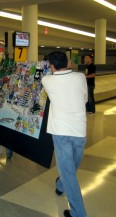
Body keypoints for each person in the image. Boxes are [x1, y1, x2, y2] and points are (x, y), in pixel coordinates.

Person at [41, 51, 87, 217]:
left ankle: (63, 187)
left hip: (60, 132)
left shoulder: (47, 80)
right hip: (79, 130)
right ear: (68, 62)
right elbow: (85, 99)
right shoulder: (81, 77)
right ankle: (77, 210)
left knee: (69, 171)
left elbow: (46, 75)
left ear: (51, 66)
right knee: (71, 169)